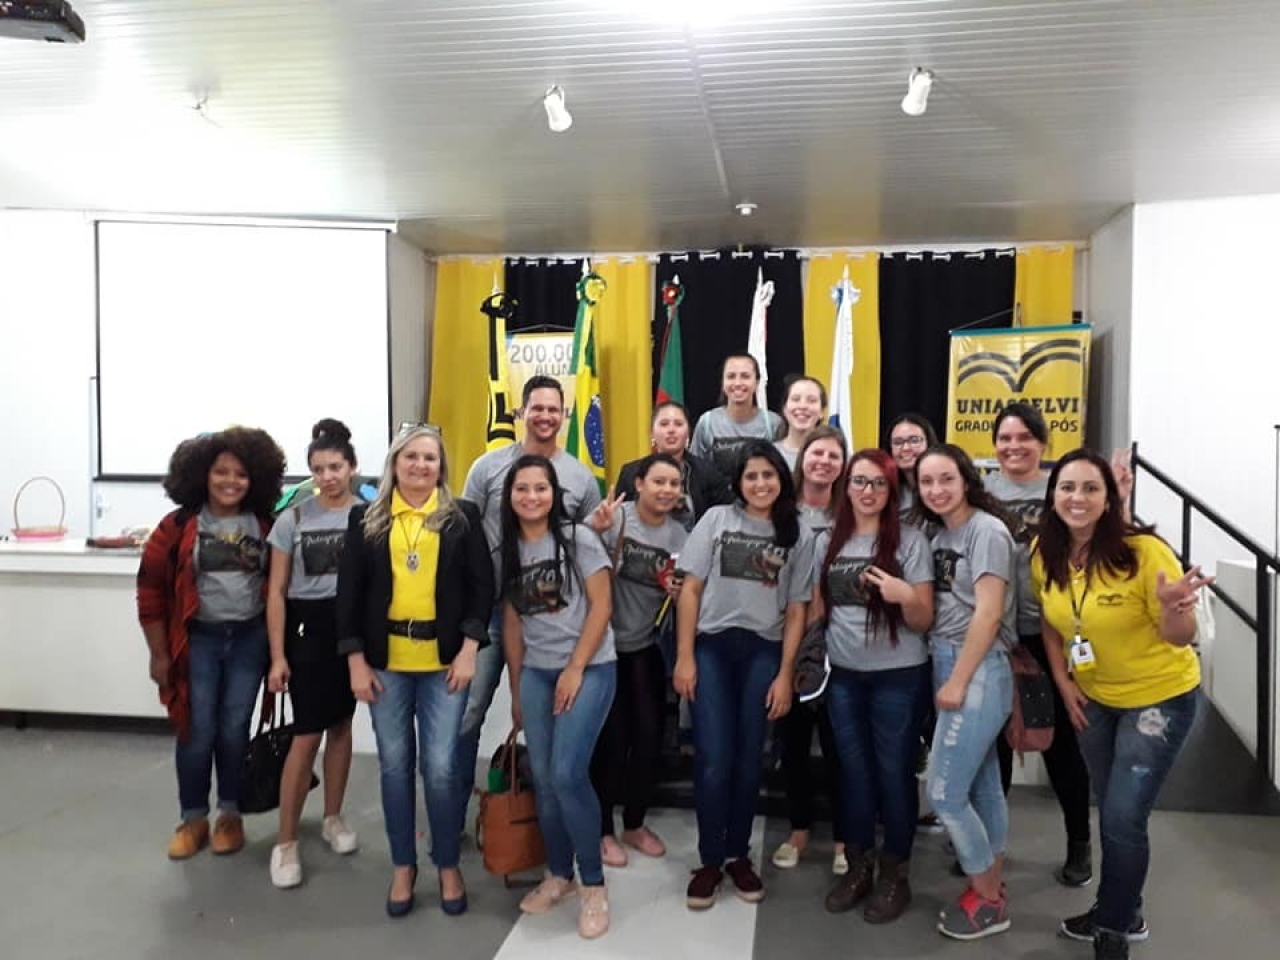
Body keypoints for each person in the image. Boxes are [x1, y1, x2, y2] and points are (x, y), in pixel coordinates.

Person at [1031, 449, 1208, 960]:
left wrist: (1176, 609)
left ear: (1109, 499)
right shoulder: (1045, 552)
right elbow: (1050, 622)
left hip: (1159, 700)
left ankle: (1112, 930)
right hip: (1094, 700)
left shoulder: (1144, 552)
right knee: (1112, 810)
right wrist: (1063, 681)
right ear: (1053, 495)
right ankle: (1124, 908)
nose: (1077, 497)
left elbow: (1180, 636)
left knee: (1124, 817)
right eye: (1067, 487)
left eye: (1091, 488)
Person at [336, 424, 493, 918]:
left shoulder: (461, 517)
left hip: (444, 664)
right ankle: (403, 865)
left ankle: (447, 864)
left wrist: (469, 649)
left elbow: (481, 588)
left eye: (430, 458)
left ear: (441, 467)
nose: (420, 466)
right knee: (394, 766)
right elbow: (349, 594)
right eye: (411, 457)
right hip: (386, 666)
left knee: (441, 768)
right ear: (395, 464)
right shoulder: (367, 518)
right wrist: (355, 660)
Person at [456, 376, 603, 823]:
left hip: (546, 618)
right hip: (487, 615)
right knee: (469, 713)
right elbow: (464, 533)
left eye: (553, 409)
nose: (544, 416)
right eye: (536, 408)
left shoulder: (580, 477)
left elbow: (585, 546)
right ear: (521, 412)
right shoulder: (487, 468)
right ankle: (455, 814)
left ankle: (547, 823)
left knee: (551, 724)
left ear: (565, 415)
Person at [675, 440, 813, 910]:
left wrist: (785, 673)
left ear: (782, 479)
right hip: (712, 648)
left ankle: (737, 855)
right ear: (738, 482)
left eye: (768, 475)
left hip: (763, 652)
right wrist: (685, 656)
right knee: (713, 758)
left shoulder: (798, 532)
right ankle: (710, 860)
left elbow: (797, 609)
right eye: (751, 476)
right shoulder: (716, 520)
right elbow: (690, 590)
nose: (760, 484)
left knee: (749, 758)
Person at [137, 426, 286, 860]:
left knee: (234, 729)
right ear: (202, 473)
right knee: (196, 729)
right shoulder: (177, 526)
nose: (230, 481)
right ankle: (193, 818)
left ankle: (230, 815)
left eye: (241, 474)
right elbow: (149, 593)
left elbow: (280, 589)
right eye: (221, 472)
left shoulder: (265, 525)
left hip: (249, 640)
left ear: (255, 479)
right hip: (197, 641)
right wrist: (159, 654)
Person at [500, 455, 617, 939]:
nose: (531, 496)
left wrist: (574, 668)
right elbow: (512, 624)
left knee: (568, 775)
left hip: (589, 668)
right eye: (522, 489)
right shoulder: (507, 549)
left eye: (540, 488)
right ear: (509, 496)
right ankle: (559, 874)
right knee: (545, 780)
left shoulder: (578, 538)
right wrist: (516, 688)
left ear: (554, 494)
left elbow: (602, 605)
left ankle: (593, 884)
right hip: (537, 672)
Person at [816, 448, 933, 923]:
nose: (868, 491)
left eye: (878, 483)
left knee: (892, 774)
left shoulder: (911, 542)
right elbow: (817, 607)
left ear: (891, 490)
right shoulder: (830, 540)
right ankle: (859, 867)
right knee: (853, 774)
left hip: (898, 677)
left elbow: (923, 618)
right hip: (844, 677)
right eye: (860, 481)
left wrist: (905, 596)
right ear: (846, 487)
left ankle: (894, 874)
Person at [983, 402, 1093, 885]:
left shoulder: (1060, 491)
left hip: (1047, 635)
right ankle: (989, 847)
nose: (1014, 446)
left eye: (1024, 437)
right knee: (994, 748)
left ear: (1042, 442)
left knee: (1058, 745)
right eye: (1005, 438)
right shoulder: (982, 493)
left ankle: (1079, 843)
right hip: (994, 635)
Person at [915, 444, 1017, 941]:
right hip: (946, 658)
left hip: (975, 666)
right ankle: (992, 887)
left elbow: (989, 612)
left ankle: (988, 897)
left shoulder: (987, 531)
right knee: (982, 785)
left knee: (943, 792)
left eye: (946, 479)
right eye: (927, 481)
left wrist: (957, 679)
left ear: (966, 480)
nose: (936, 489)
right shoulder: (939, 533)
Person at [265, 419, 363, 888]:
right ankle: (285, 842)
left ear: (352, 467)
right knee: (306, 735)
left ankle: (332, 817)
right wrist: (278, 656)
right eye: (319, 469)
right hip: (306, 632)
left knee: (341, 726)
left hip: (350, 632)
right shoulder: (294, 519)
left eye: (335, 467)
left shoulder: (368, 515)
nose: (327, 476)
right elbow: (276, 590)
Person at [588, 454, 689, 867]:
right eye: (658, 481)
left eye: (674, 484)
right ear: (640, 483)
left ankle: (634, 823)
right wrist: (594, 531)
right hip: (602, 647)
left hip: (644, 646)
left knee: (648, 737)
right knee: (610, 742)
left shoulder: (680, 535)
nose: (666, 490)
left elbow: (686, 591)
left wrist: (681, 594)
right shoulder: (615, 518)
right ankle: (601, 830)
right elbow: (578, 561)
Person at [773, 425, 849, 875]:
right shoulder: (781, 511)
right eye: (817, 453)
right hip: (788, 639)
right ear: (803, 459)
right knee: (794, 744)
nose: (824, 462)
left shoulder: (851, 513)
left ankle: (843, 838)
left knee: (840, 746)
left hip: (841, 643)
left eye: (833, 455)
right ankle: (798, 829)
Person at [614, 400, 731, 531]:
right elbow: (620, 520)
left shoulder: (708, 472)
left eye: (678, 424)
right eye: (664, 424)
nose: (671, 430)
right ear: (652, 432)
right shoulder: (631, 473)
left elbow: (724, 518)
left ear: (688, 432)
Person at [690, 354, 784, 478]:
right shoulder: (707, 423)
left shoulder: (773, 424)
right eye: (731, 376)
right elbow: (695, 472)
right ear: (722, 382)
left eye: (745, 376)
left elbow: (781, 472)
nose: (738, 383)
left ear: (757, 382)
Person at [885, 413, 938, 519]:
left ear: (929, 443)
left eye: (914, 441)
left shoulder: (943, 487)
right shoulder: (886, 491)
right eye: (898, 442)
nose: (906, 448)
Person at [774, 374, 827, 471]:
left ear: (822, 412)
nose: (803, 406)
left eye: (812, 400)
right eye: (795, 399)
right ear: (784, 409)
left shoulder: (833, 455)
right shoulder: (769, 454)